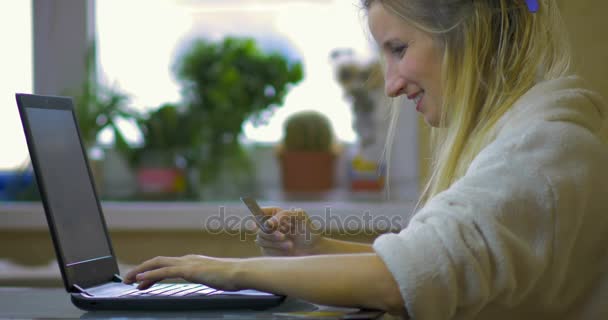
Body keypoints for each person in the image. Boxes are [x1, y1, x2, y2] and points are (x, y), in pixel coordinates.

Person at [124, 0, 608, 318]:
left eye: (399, 49)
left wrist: (225, 270)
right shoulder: (529, 141)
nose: (392, 83)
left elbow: (400, 282)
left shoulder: (541, 154)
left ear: (468, 34)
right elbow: (432, 268)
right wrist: (313, 251)